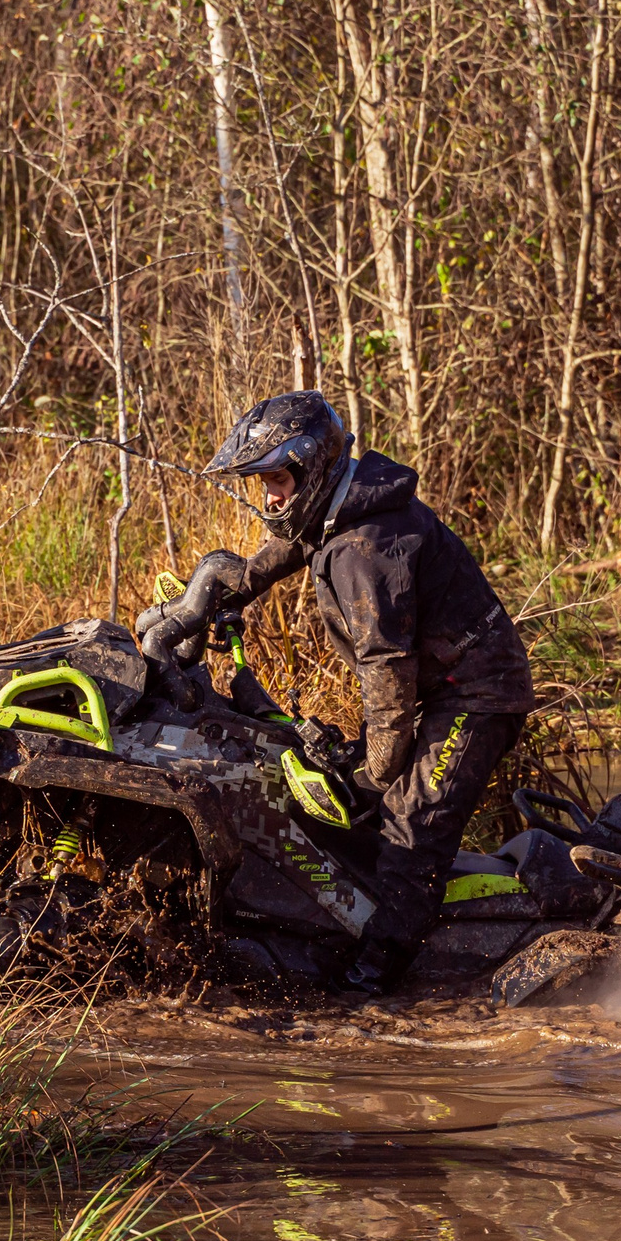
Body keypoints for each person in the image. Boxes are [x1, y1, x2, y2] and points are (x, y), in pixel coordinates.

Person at [165, 390, 537, 987]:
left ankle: (372, 986)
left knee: (411, 833)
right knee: (369, 807)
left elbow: (386, 675)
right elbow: (289, 546)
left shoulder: (364, 551)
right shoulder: (346, 507)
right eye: (265, 482)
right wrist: (227, 585)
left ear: (314, 468)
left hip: (477, 697)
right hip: (434, 688)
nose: (271, 496)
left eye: (278, 480)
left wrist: (373, 774)